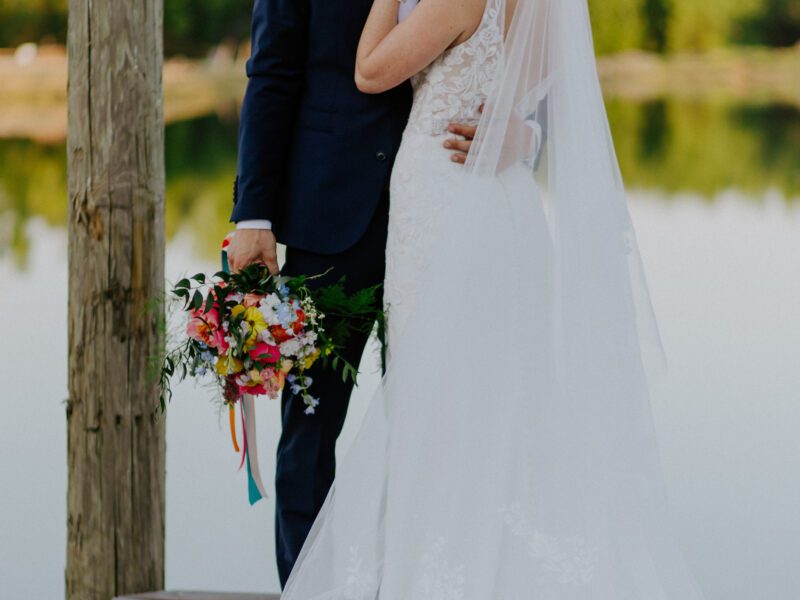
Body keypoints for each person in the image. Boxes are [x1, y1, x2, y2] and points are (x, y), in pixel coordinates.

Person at [277, 0, 709, 598]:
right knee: (500, 396)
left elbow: (372, 71)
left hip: (446, 205)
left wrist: (524, 133)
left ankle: (449, 570)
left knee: (441, 399)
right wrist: (523, 133)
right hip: (501, 209)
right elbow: (557, 89)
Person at [224, 0, 479, 586]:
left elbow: (525, 60)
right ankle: (307, 589)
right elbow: (272, 73)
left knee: (437, 423)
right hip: (329, 216)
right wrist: (254, 215)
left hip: (447, 213)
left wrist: (523, 133)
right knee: (310, 433)